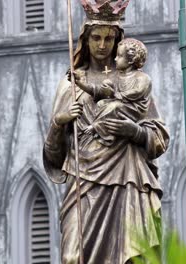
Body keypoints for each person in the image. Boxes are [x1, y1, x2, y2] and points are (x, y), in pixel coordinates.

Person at [42, 3, 170, 263]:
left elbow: (158, 138)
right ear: (85, 39)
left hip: (128, 180)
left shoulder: (135, 81)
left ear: (118, 41)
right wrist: (59, 122)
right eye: (96, 38)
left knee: (133, 257)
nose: (102, 45)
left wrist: (133, 131)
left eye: (109, 38)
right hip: (84, 183)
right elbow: (54, 158)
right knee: (72, 256)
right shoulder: (71, 84)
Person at [74, 38, 151, 146]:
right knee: (101, 103)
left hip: (134, 109)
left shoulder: (142, 77)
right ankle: (102, 131)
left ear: (131, 60)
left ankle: (96, 127)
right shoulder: (116, 77)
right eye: (96, 38)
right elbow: (99, 91)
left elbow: (138, 91)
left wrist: (137, 132)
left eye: (119, 56)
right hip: (120, 106)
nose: (115, 59)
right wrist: (80, 83)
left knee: (114, 106)